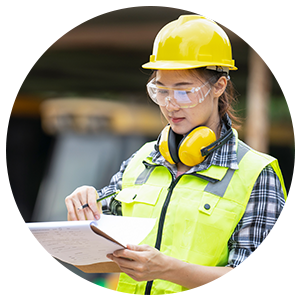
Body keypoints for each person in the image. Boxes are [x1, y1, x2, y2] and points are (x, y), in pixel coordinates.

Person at [65, 15, 288, 298]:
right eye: (161, 90)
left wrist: (167, 269)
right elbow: (93, 261)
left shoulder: (256, 173)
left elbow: (247, 287)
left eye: (183, 91)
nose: (170, 104)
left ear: (219, 86)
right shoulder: (140, 161)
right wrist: (83, 215)